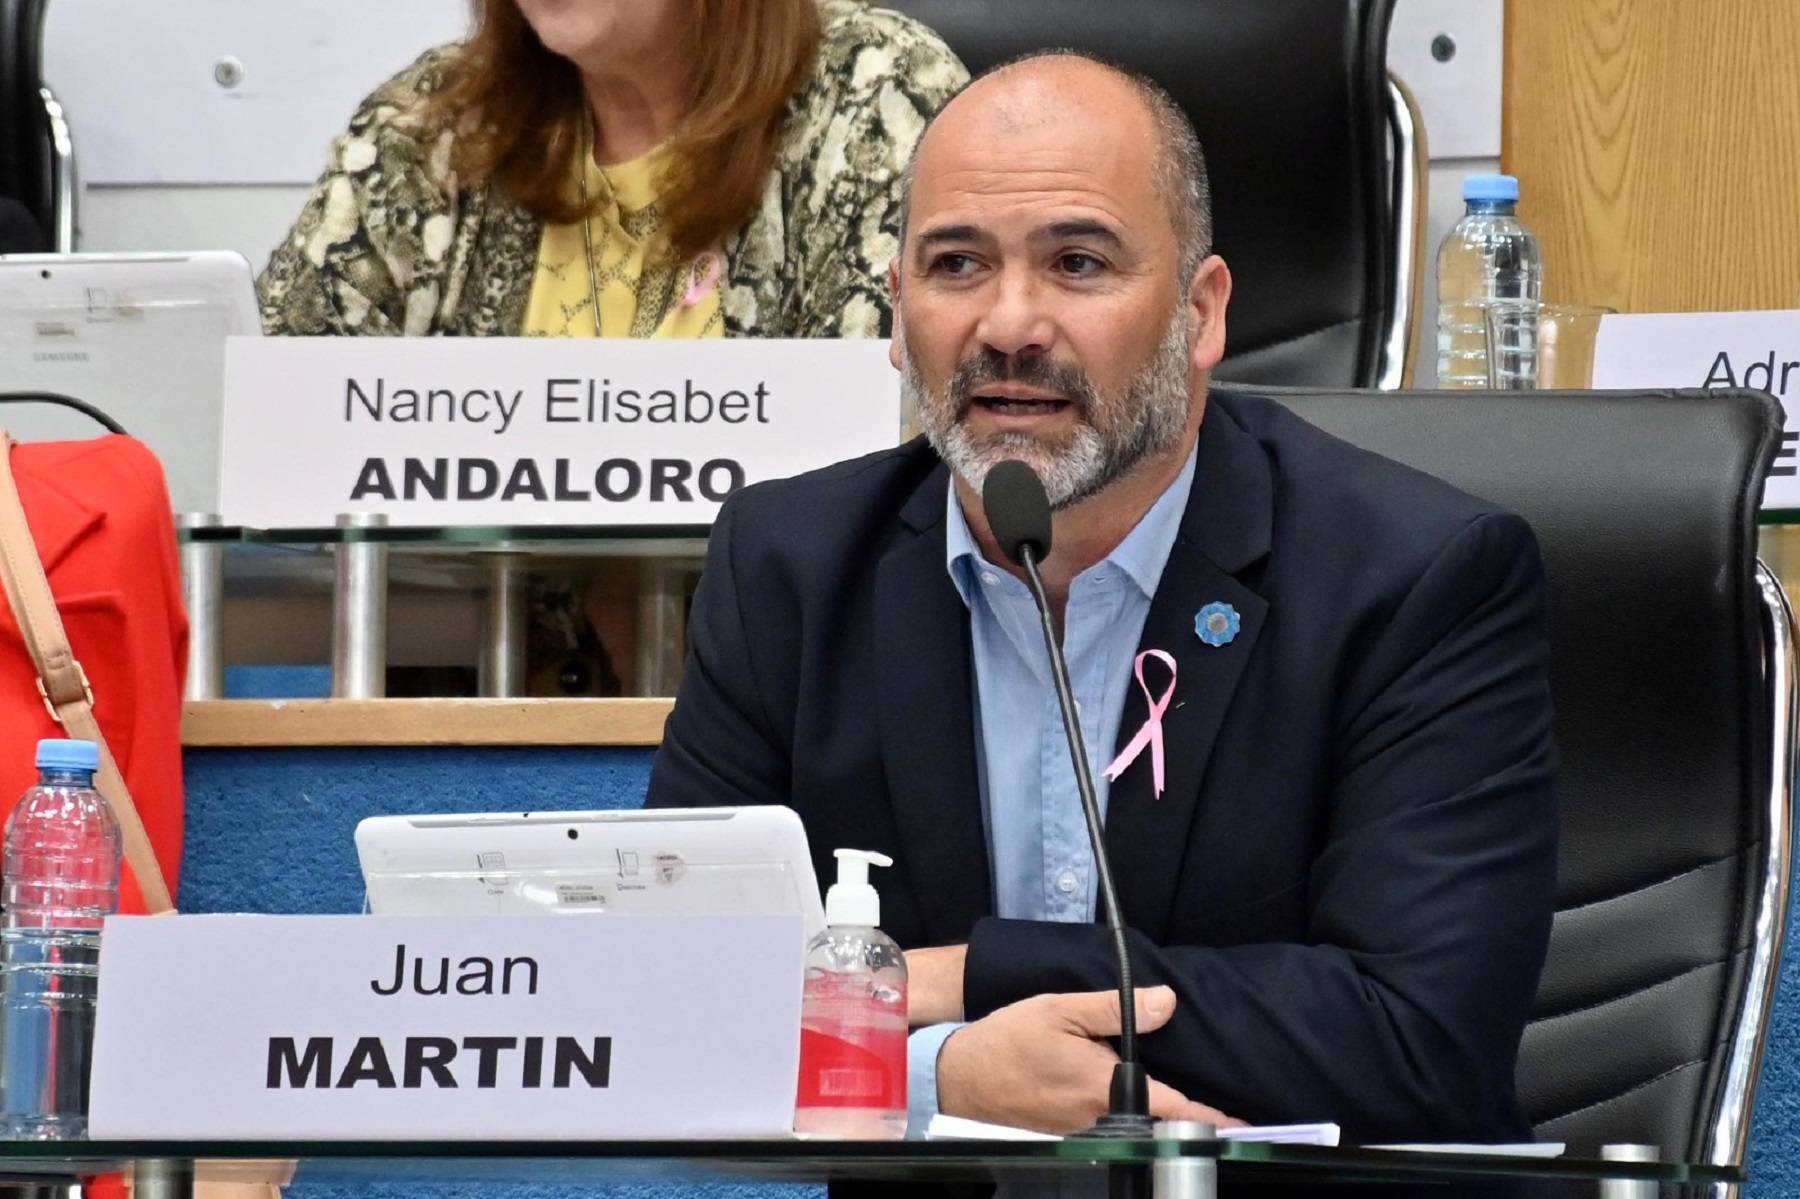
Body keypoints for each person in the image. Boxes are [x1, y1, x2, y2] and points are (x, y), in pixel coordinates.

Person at [645, 52, 1558, 1144]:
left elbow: (1421, 1040)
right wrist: (943, 1065)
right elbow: (674, 1000)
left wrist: (975, 971)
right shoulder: (787, 568)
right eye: (956, 264)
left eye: (1077, 262)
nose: (1008, 324)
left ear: (1202, 312)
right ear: (897, 313)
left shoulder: (1415, 577)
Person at [257, 0, 966, 339]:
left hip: (767, 629)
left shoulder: (874, 90)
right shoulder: (435, 122)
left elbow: (877, 443)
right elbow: (273, 403)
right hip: (474, 627)